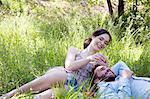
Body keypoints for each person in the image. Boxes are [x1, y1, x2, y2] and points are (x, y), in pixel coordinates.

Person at [1, 29, 112, 99]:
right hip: (64, 77)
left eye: (105, 43)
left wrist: (103, 67)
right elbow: (69, 66)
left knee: (48, 93)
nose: (102, 43)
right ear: (93, 37)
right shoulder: (74, 50)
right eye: (100, 39)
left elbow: (102, 79)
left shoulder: (102, 59)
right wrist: (89, 59)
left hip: (76, 86)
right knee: (59, 74)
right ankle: (10, 94)